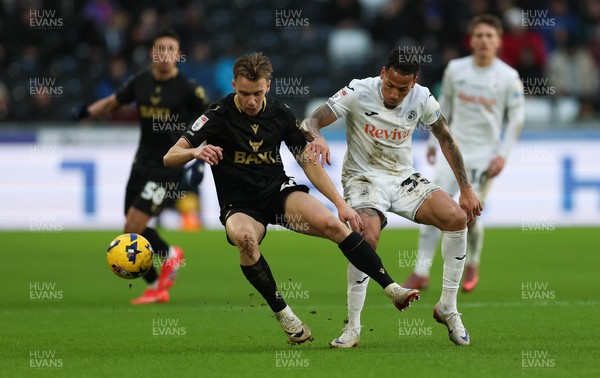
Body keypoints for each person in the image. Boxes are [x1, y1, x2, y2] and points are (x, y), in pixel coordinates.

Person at [163, 52, 420, 345]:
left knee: (335, 225)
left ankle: (391, 288)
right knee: (245, 240)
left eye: (257, 93)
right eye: (244, 93)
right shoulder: (217, 115)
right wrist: (194, 152)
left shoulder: (280, 112)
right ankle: (284, 314)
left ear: (268, 86)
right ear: (234, 84)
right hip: (240, 205)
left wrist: (340, 204)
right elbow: (170, 156)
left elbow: (307, 162)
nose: (251, 101)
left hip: (278, 192)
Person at [300, 47, 483, 347]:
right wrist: (317, 135)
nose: (395, 94)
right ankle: (353, 327)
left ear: (414, 83)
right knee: (365, 236)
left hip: (402, 178)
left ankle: (448, 307)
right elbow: (311, 121)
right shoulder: (358, 91)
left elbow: (446, 138)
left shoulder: (422, 97)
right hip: (363, 179)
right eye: (390, 86)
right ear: (382, 74)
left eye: (403, 88)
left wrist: (465, 188)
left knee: (456, 218)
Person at [74, 30, 210, 304]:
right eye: (160, 49)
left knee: (133, 225)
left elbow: (210, 120)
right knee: (129, 228)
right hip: (141, 162)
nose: (164, 54)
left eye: (170, 49)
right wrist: (88, 111)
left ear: (177, 54)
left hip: (168, 165)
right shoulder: (140, 82)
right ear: (152, 53)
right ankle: (156, 284)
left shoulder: (188, 89)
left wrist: (198, 159)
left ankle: (169, 256)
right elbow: (114, 102)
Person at [404, 14, 525, 293]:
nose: (483, 40)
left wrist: (503, 155)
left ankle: (473, 262)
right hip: (453, 151)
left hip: (485, 156)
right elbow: (442, 106)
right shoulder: (456, 70)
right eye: (479, 35)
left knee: (470, 214)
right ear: (471, 40)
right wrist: (435, 144)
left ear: (498, 41)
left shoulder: (508, 77)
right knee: (431, 207)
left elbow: (516, 119)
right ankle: (421, 271)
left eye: (489, 36)